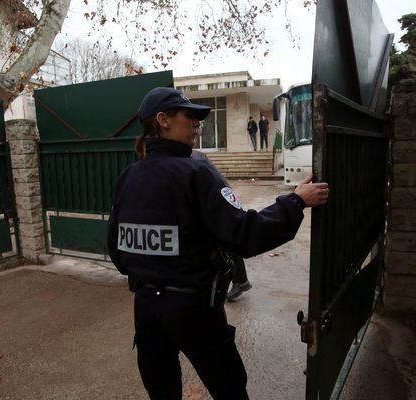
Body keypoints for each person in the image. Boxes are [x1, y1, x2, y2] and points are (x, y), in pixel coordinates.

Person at [107, 87, 329, 400]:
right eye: (190, 117)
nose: (198, 124)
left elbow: (117, 253)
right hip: (194, 310)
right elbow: (244, 234)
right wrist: (294, 202)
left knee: (161, 391)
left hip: (145, 308)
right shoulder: (196, 172)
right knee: (229, 389)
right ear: (163, 120)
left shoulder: (127, 177)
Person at [190, 149, 252, 301]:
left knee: (226, 239)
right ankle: (240, 280)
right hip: (216, 198)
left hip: (214, 200)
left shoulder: (192, 156)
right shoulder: (192, 155)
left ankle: (239, 280)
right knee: (225, 238)